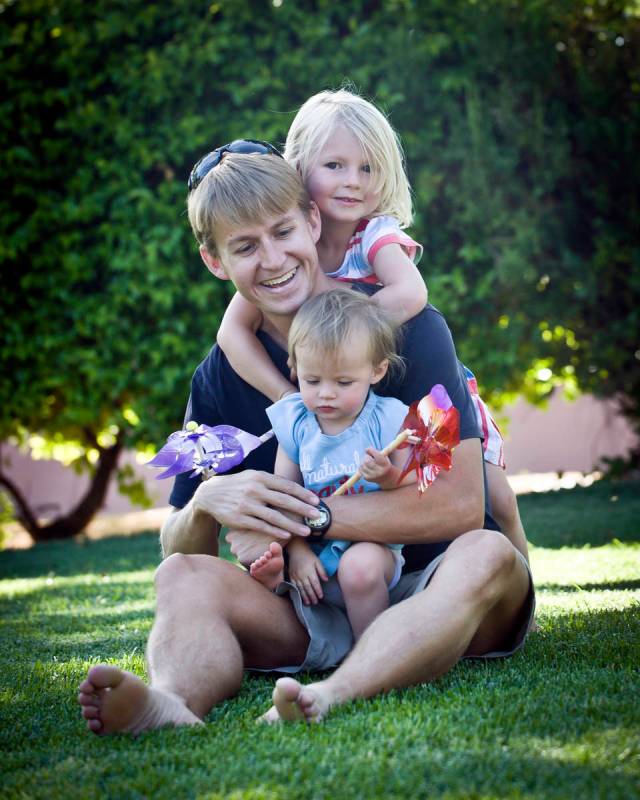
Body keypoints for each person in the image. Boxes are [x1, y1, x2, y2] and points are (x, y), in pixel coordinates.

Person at [77, 147, 534, 735]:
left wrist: (314, 517)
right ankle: (169, 702)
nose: (272, 260)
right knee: (181, 578)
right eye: (244, 247)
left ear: (312, 224)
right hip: (312, 606)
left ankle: (336, 691)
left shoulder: (411, 334)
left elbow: (462, 506)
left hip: (440, 591)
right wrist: (204, 503)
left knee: (488, 553)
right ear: (215, 262)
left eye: (283, 231)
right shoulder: (217, 377)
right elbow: (177, 542)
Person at [215, 89, 530, 566]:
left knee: (496, 497)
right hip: (343, 390)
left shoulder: (376, 234)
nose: (353, 182)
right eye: (335, 166)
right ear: (299, 168)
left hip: (431, 384)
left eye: (368, 169)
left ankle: (522, 585)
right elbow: (230, 334)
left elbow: (411, 294)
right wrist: (286, 396)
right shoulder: (288, 249)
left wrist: (346, 328)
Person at [250, 289, 416, 640]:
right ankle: (276, 583)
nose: (326, 393)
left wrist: (386, 476)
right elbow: (286, 497)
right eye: (313, 381)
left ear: (376, 370)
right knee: (261, 551)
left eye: (343, 382)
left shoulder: (386, 419)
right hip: (310, 553)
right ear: (294, 367)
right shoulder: (297, 423)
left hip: (371, 547)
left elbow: (409, 479)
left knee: (359, 567)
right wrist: (295, 552)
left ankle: (373, 656)